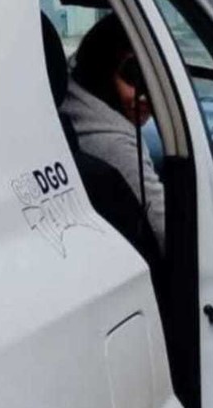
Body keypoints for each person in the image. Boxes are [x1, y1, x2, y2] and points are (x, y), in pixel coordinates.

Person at [60, 13, 166, 251]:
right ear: (101, 71)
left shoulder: (71, 105)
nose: (148, 97)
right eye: (133, 75)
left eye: (156, 80)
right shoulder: (114, 144)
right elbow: (171, 233)